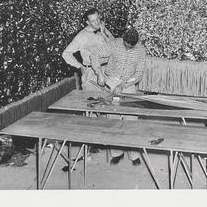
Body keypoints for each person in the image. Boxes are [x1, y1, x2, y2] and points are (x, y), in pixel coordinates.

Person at [102, 26, 147, 166]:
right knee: (113, 120)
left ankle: (133, 155)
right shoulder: (114, 43)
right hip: (112, 81)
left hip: (128, 84)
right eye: (126, 45)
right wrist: (98, 72)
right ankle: (116, 153)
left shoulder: (140, 51)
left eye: (131, 46)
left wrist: (125, 86)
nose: (128, 48)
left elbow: (139, 73)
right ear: (123, 40)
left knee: (131, 120)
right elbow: (95, 54)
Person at [61, 9, 114, 90]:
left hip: (108, 70)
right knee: (93, 100)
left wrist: (103, 33)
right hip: (92, 73)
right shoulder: (82, 36)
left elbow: (114, 46)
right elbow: (66, 53)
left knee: (111, 100)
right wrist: (80, 66)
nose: (97, 23)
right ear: (88, 22)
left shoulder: (103, 29)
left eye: (98, 19)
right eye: (93, 21)